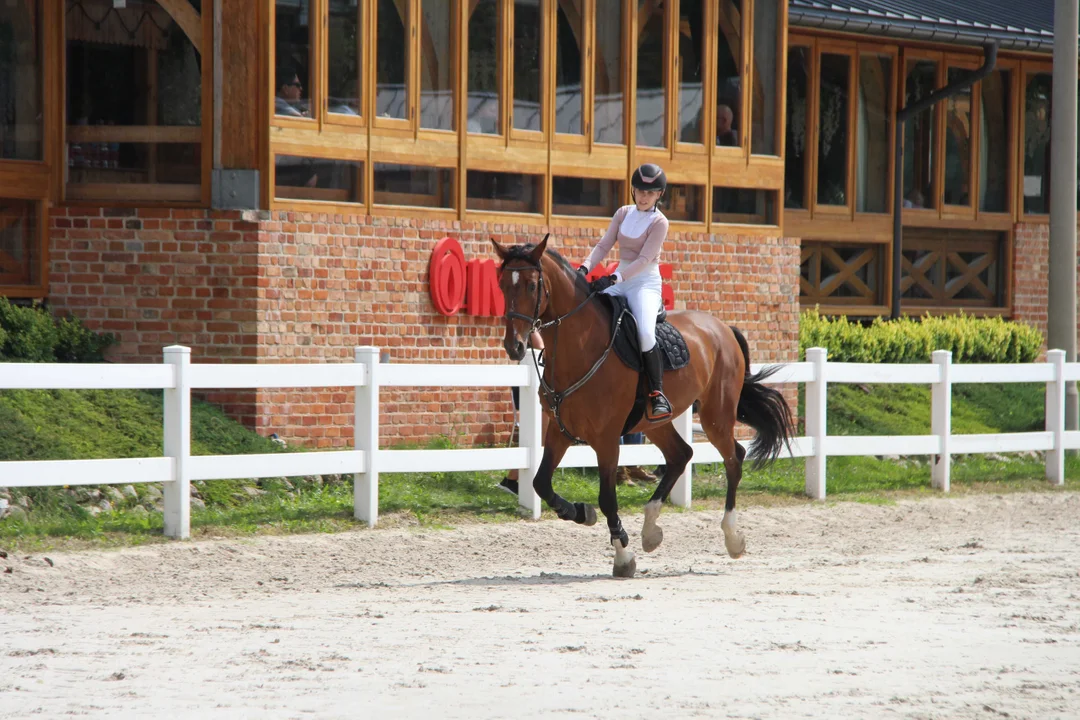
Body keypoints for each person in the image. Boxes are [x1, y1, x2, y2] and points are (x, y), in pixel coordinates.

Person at [578, 163, 673, 423]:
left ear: (659, 195)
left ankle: (657, 392)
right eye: (640, 190)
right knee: (589, 311)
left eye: (650, 193)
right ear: (632, 190)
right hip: (620, 277)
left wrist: (614, 278)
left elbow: (644, 259)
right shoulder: (622, 213)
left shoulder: (660, 222)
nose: (644, 196)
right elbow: (604, 244)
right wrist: (584, 268)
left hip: (644, 283)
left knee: (644, 331)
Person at [498, 331, 546, 496]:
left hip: (539, 386)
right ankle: (512, 481)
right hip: (532, 387)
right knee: (538, 438)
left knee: (539, 439)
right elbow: (540, 347)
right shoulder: (531, 328)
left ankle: (512, 481)